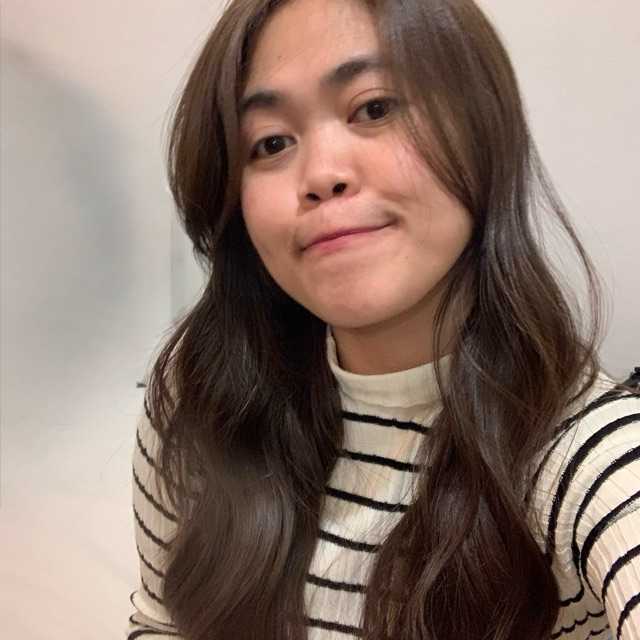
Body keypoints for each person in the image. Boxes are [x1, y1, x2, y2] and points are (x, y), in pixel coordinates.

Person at [126, 1, 640, 639]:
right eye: (271, 143)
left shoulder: (586, 455)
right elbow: (161, 621)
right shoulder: (201, 394)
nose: (322, 175)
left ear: (482, 130)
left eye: (374, 108)